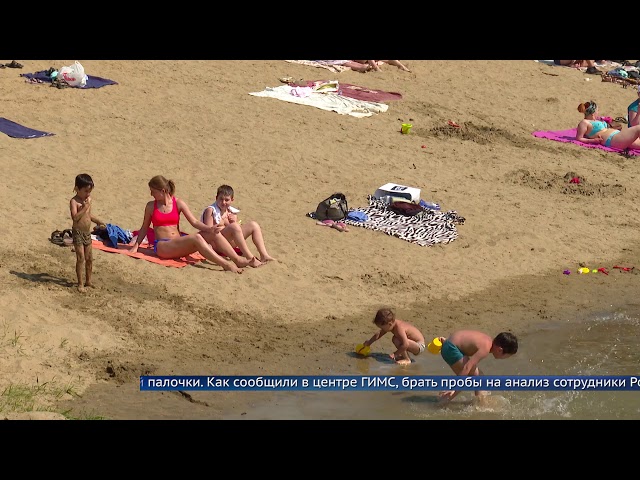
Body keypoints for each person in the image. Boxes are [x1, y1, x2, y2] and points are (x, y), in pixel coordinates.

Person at [129, 175, 245, 274]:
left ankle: (237, 259)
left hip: (179, 244)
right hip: (163, 246)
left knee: (214, 234)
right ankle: (225, 264)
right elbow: (144, 228)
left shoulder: (178, 203)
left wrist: (210, 229)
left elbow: (194, 222)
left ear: (163, 191)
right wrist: (136, 247)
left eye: (153, 191)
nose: (151, 194)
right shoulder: (150, 206)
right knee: (196, 237)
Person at [200, 185, 276, 265]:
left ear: (232, 200)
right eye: (221, 199)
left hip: (229, 242)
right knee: (234, 226)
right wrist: (225, 225)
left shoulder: (230, 211)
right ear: (216, 198)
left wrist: (233, 222)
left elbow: (236, 231)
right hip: (215, 244)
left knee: (254, 225)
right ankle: (250, 258)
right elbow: (208, 232)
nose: (223, 202)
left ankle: (264, 255)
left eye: (227, 200)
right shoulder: (211, 211)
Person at [437, 330, 518, 403]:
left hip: (449, 343)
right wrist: (454, 388)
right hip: (451, 348)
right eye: (506, 356)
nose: (503, 359)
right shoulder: (486, 348)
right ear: (500, 350)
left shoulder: (487, 340)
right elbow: (467, 367)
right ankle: (443, 402)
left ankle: (479, 402)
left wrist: (446, 342)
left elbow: (464, 339)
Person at [69, 173, 106, 292]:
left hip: (87, 233)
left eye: (89, 191)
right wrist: (84, 207)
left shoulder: (88, 201)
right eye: (85, 191)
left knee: (89, 258)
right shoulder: (74, 202)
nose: (88, 194)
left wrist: (98, 221)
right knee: (81, 258)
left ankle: (88, 281)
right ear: (77, 189)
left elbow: (88, 215)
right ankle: (80, 283)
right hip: (78, 232)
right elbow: (75, 218)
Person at [360, 308, 425, 365]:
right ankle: (403, 356)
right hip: (410, 343)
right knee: (397, 339)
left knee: (396, 339)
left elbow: (405, 344)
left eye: (383, 328)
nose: (382, 330)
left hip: (419, 346)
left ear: (389, 324)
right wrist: (369, 342)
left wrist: (395, 354)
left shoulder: (399, 328)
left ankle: (407, 359)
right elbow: (379, 334)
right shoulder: (390, 325)